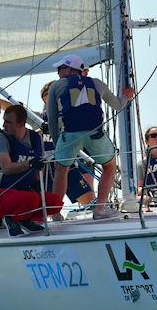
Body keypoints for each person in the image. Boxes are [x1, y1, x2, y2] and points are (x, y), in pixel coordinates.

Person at [46, 54, 134, 220]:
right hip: (95, 133)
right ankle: (100, 209)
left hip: (70, 134)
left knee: (61, 168)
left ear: (71, 69)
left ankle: (55, 213)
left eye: (61, 69)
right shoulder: (98, 83)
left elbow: (52, 119)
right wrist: (126, 97)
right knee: (110, 166)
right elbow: (117, 105)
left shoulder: (56, 86)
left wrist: (58, 143)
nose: (58, 73)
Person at [0, 104, 64, 237]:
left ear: (21, 123)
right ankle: (11, 217)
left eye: (8, 122)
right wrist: (30, 163)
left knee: (55, 203)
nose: (3, 125)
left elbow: (38, 164)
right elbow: (7, 168)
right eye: (4, 120)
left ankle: (23, 219)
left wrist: (37, 181)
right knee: (31, 200)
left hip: (24, 191)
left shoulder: (35, 137)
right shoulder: (0, 138)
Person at [39, 81, 95, 209]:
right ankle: (54, 215)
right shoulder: (38, 119)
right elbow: (17, 111)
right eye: (46, 100)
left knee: (89, 200)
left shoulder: (72, 115)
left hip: (68, 163)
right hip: (48, 167)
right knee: (48, 205)